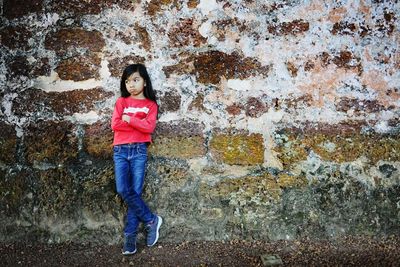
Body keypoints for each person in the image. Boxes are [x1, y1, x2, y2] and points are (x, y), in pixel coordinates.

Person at [111, 63, 162, 255]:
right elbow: (115, 125)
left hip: (139, 151)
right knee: (123, 189)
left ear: (145, 81)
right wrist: (136, 124)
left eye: (135, 79)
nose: (131, 84)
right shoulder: (121, 102)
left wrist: (130, 120)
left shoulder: (150, 105)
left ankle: (130, 238)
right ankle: (151, 220)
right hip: (120, 151)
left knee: (135, 193)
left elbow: (149, 128)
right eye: (127, 81)